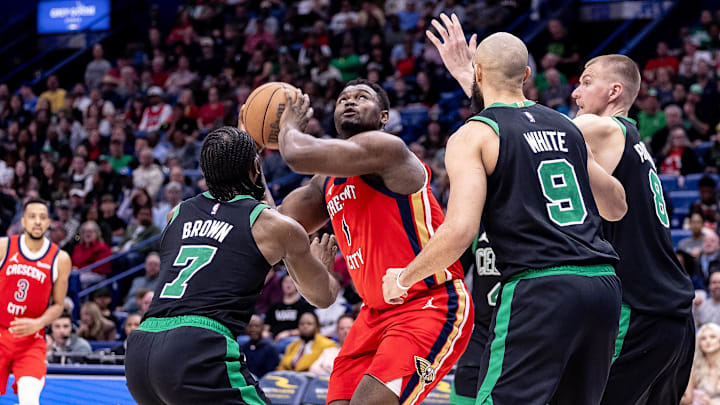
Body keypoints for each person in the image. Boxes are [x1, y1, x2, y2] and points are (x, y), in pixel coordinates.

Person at [392, 28, 627, 404]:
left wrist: (404, 279)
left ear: (479, 74)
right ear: (527, 76)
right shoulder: (567, 126)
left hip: (541, 287)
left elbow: (460, 231)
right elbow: (616, 206)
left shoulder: (474, 135)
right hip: (602, 286)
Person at [276, 77, 473, 404]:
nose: (349, 102)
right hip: (373, 315)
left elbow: (296, 153)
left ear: (383, 117)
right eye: (342, 99)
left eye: (361, 97)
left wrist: (286, 126)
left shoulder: (389, 150)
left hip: (428, 302)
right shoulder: (325, 182)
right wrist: (253, 160)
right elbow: (279, 223)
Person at [125, 126, 342, 405]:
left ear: (204, 172)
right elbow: (322, 297)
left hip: (141, 349)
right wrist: (324, 270)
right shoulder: (272, 226)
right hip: (196, 346)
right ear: (255, 166)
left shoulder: (174, 214)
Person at [0, 199, 72, 404]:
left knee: (30, 399)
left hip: (31, 340)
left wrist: (38, 323)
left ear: (49, 222)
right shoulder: (4, 246)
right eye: (32, 217)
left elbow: (58, 304)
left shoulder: (60, 258)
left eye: (42, 217)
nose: (37, 221)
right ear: (23, 221)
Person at [450, 228, 501, 405]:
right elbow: (450, 276)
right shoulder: (475, 224)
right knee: (464, 390)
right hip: (481, 334)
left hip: (522, 335)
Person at [265, 274, 315, 340]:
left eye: (292, 282)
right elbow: (266, 326)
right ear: (281, 284)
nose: (288, 285)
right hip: (273, 340)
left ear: (298, 285)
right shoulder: (274, 306)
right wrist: (264, 333)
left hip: (294, 338)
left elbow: (309, 328)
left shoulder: (305, 306)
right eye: (285, 282)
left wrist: (288, 333)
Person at [682, 323, 720, 405]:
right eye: (703, 338)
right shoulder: (694, 366)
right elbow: (688, 398)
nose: (708, 341)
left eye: (713, 337)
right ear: (699, 343)